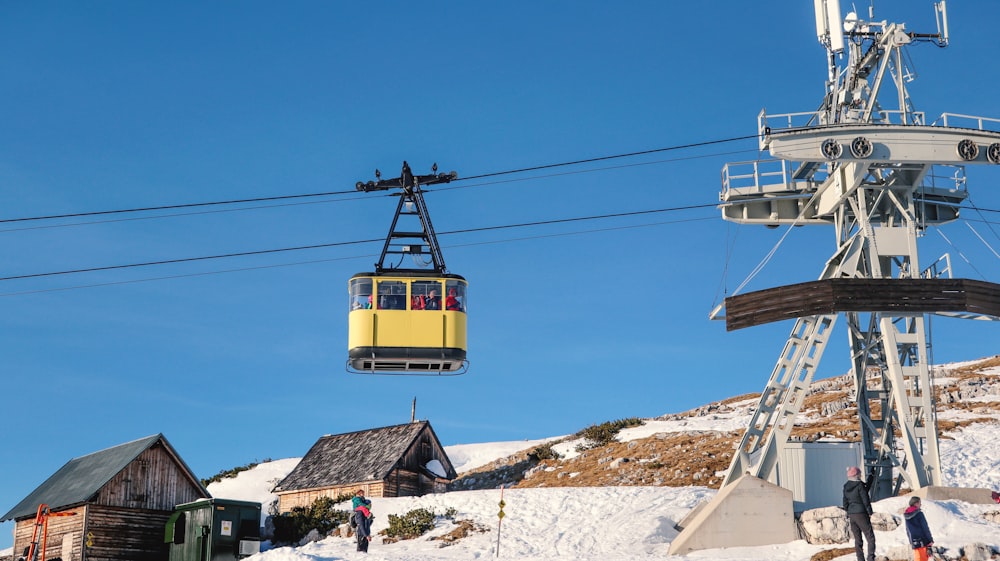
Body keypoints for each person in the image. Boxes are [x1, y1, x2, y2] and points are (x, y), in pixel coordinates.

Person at [843, 466, 876, 561]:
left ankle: (860, 559)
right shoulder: (859, 485)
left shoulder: (846, 486)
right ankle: (870, 558)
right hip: (861, 513)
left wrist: (871, 476)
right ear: (856, 475)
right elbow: (865, 499)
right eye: (860, 474)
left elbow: (845, 502)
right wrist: (870, 512)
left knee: (858, 539)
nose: (861, 475)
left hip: (852, 515)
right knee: (870, 537)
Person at [904, 496, 934, 561]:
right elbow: (925, 528)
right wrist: (930, 540)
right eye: (920, 503)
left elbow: (907, 530)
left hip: (914, 542)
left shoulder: (906, 515)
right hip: (923, 541)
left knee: (918, 558)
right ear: (916, 503)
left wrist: (911, 542)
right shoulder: (919, 514)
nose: (920, 504)